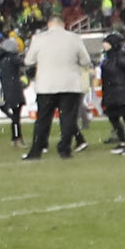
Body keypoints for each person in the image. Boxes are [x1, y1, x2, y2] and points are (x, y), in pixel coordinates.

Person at [22, 12, 92, 160]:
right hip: (70, 84)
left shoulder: (38, 39)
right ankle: (65, 149)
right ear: (64, 24)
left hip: (46, 85)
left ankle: (37, 150)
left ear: (49, 24)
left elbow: (28, 61)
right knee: (67, 119)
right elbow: (86, 61)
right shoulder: (74, 38)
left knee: (43, 120)